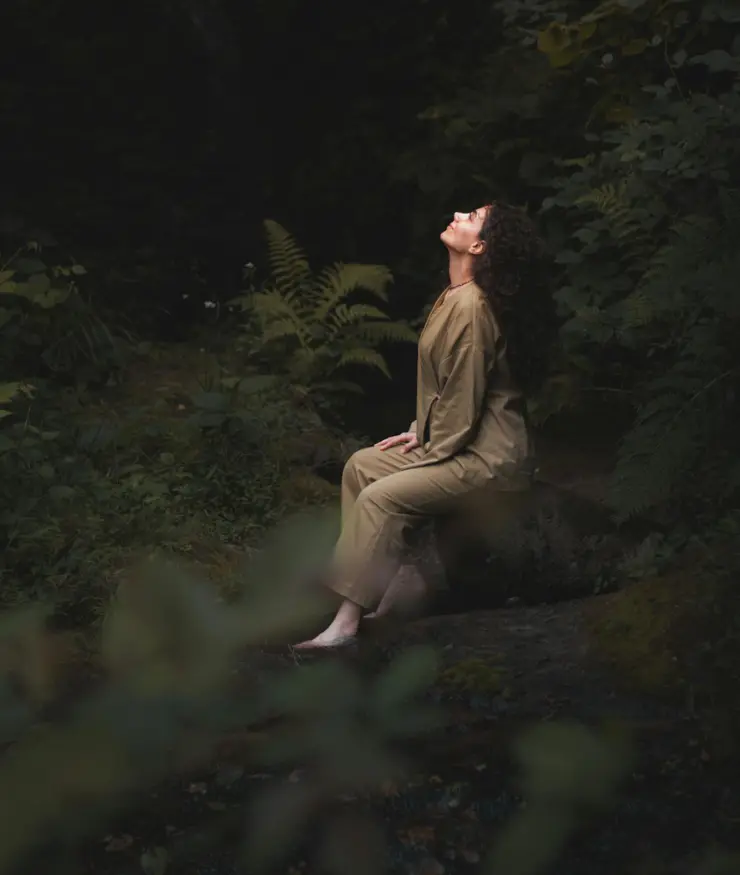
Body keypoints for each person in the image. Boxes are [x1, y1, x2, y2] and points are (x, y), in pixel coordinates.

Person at [293, 202, 556, 650]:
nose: (458, 214)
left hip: (489, 459)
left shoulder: (472, 308)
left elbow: (464, 398)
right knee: (363, 466)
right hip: (462, 441)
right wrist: (420, 430)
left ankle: (346, 622)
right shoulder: (455, 294)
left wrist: (428, 449)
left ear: (479, 245)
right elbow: (448, 389)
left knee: (383, 495)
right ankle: (399, 580)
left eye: (472, 217)